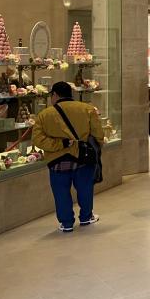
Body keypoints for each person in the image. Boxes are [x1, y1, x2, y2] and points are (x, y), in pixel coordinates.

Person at [32, 81, 104, 232]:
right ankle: (86, 217)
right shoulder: (87, 109)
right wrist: (95, 147)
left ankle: (66, 223)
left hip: (57, 161)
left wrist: (61, 145)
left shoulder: (44, 115)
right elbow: (98, 134)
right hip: (82, 158)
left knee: (61, 192)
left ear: (55, 95)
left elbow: (38, 140)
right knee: (85, 188)